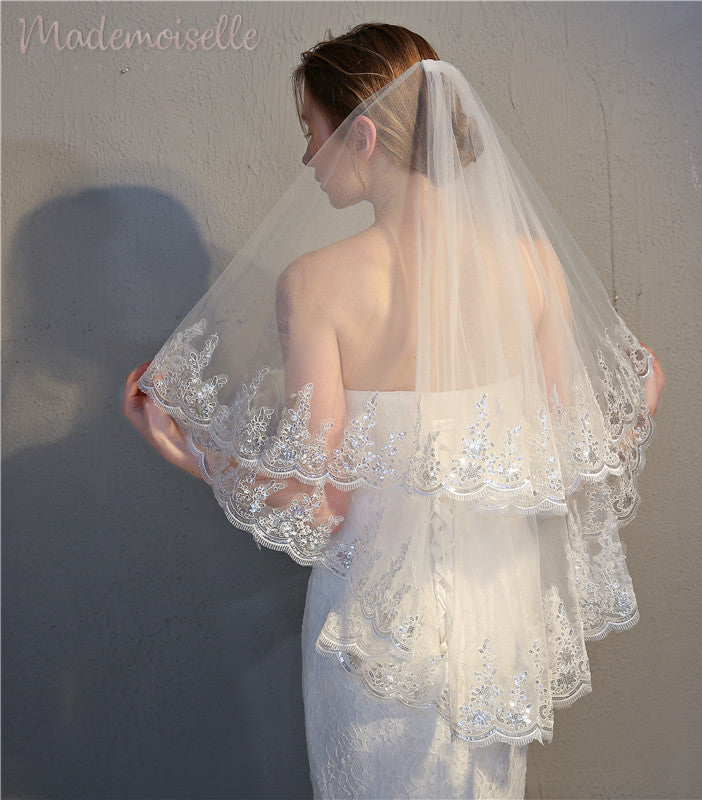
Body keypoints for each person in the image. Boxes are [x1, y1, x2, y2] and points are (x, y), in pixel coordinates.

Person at [123, 22, 664, 799]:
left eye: (312, 133)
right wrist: (642, 393)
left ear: (363, 134)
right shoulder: (532, 265)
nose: (308, 159)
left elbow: (318, 500)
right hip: (497, 638)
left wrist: (183, 446)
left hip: (373, 638)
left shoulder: (316, 285)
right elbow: (568, 452)